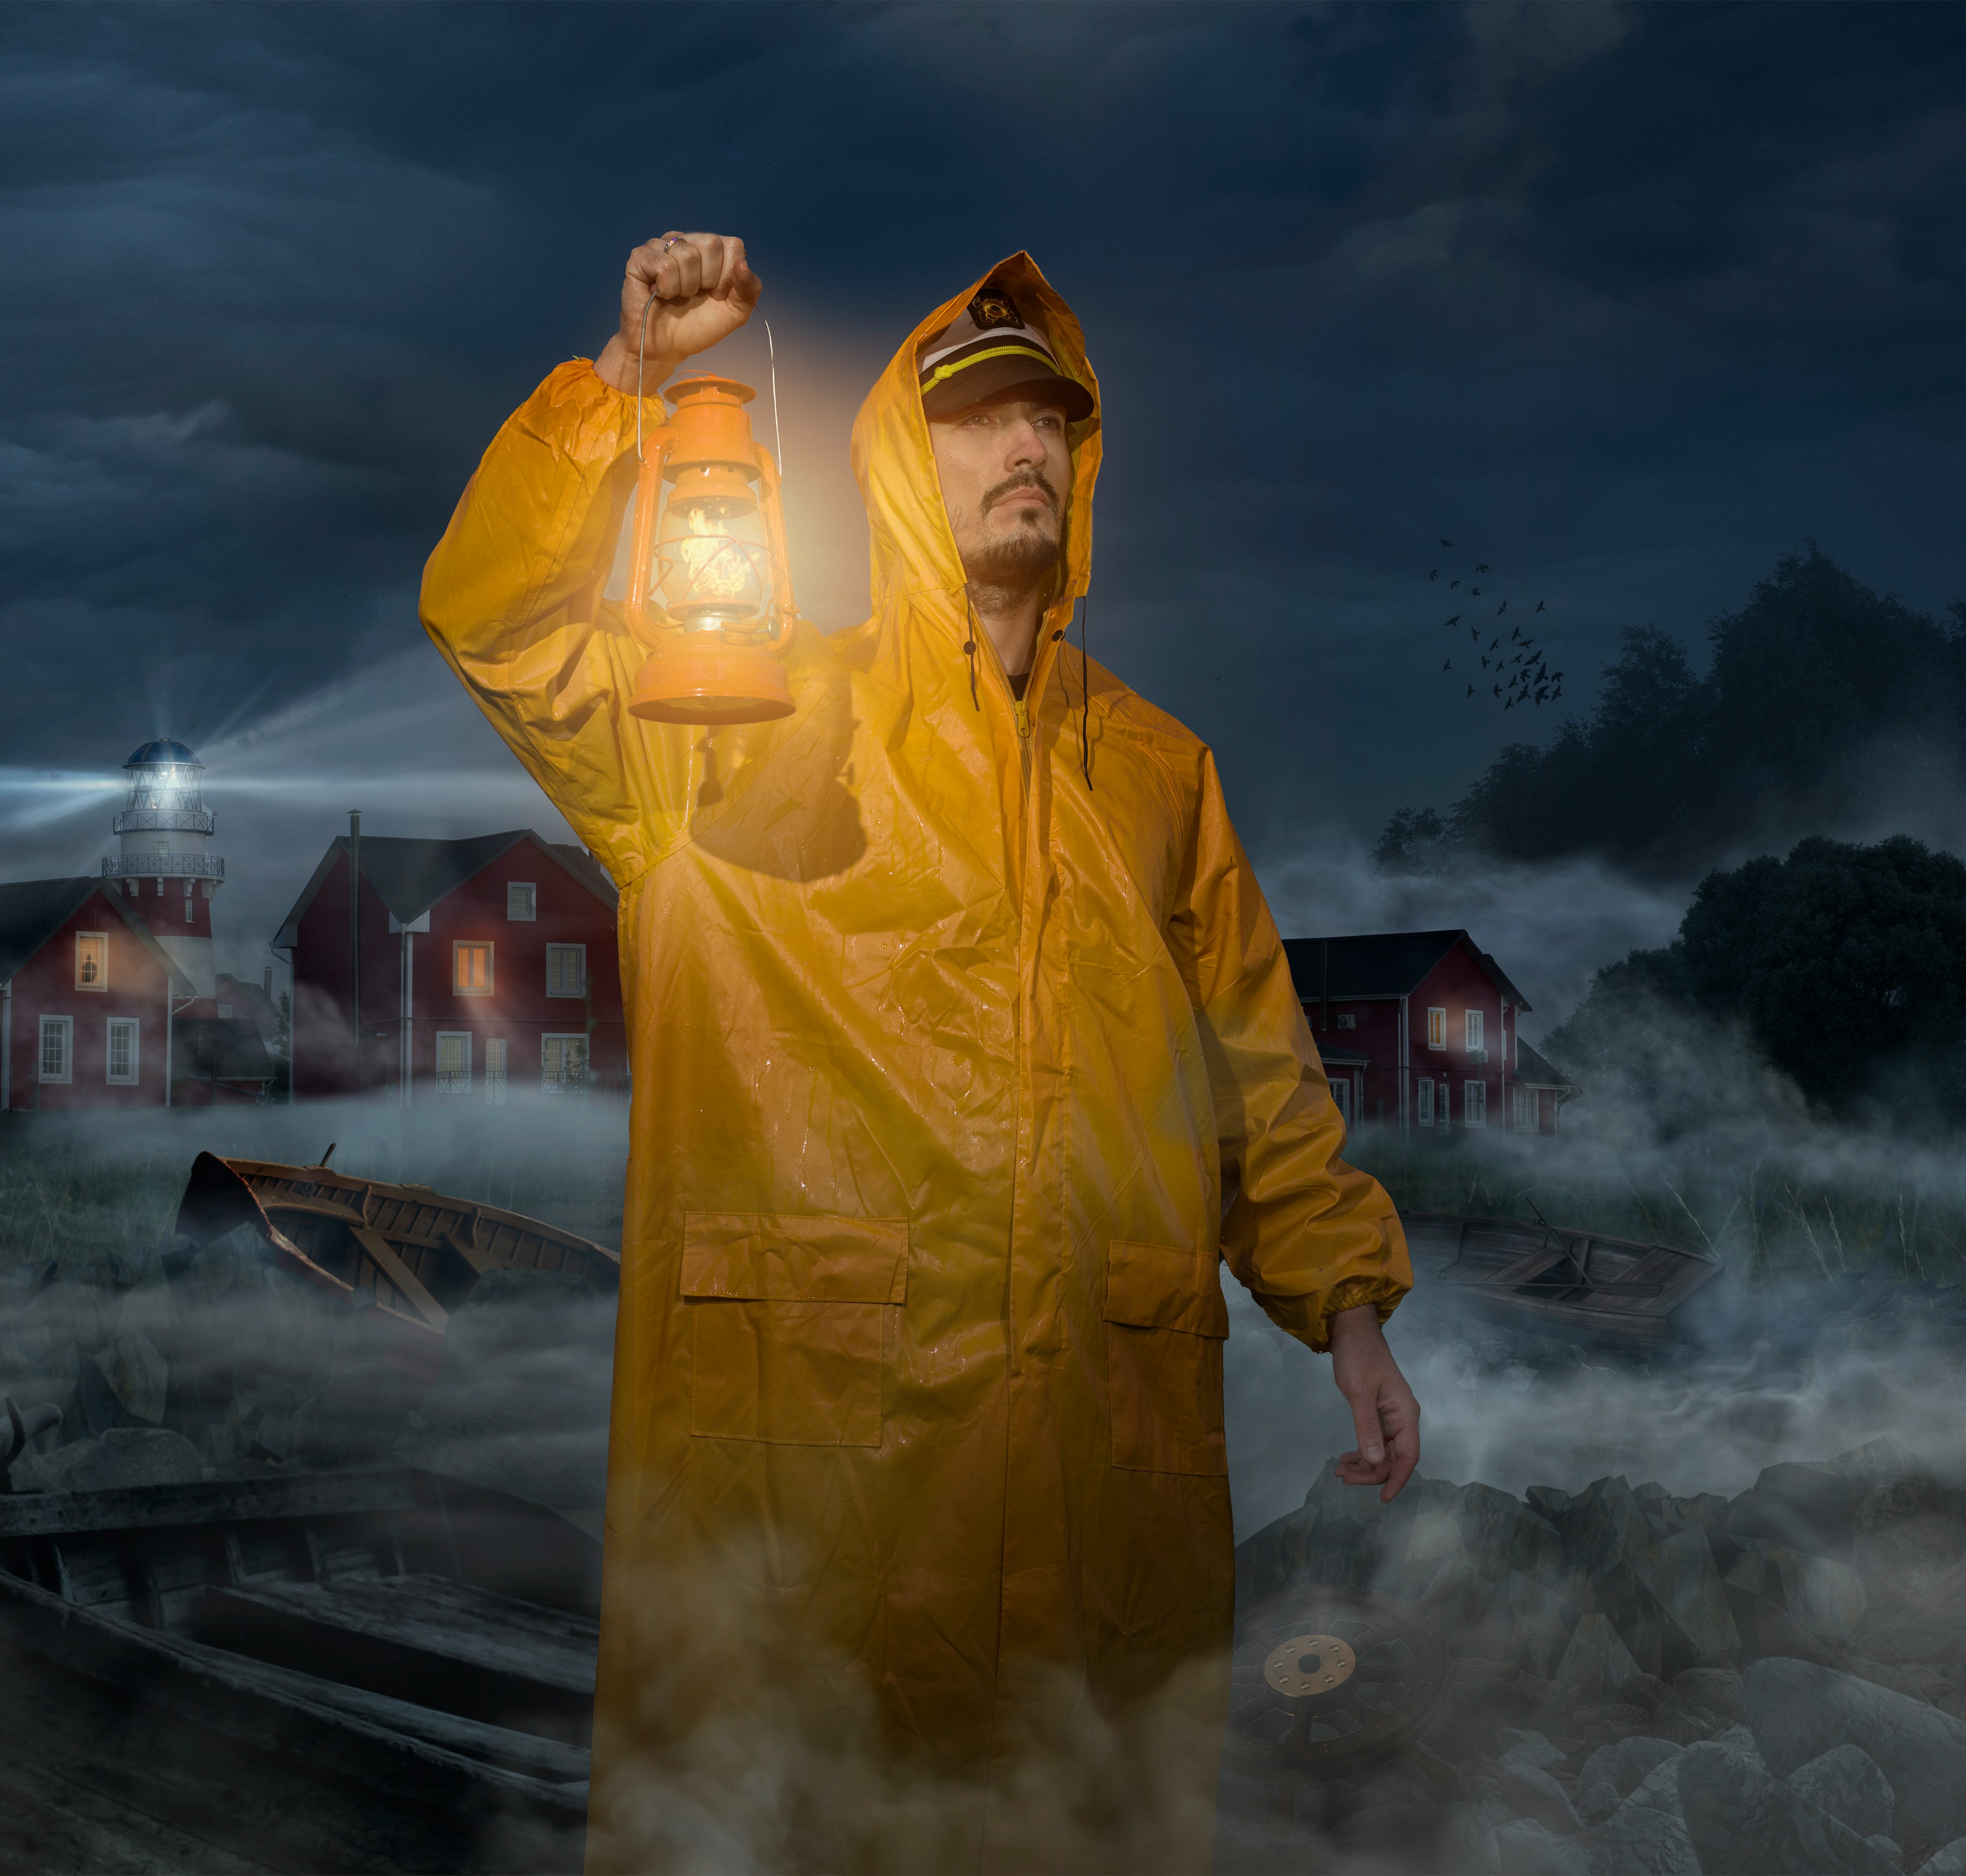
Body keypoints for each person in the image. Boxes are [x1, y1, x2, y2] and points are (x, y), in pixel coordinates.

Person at [422, 234, 1420, 1873]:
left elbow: (1248, 1068)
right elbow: (495, 620)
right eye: (977, 419)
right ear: (899, 457)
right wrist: (629, 382)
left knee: (1075, 1813)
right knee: (789, 1815)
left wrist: (1348, 1313)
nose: (1023, 445)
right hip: (809, 1467)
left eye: (1052, 422)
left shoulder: (1164, 775)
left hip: (1103, 1451)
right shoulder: (723, 711)